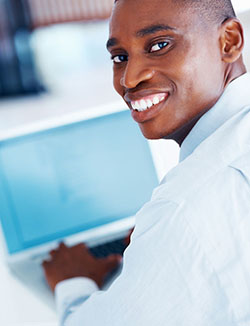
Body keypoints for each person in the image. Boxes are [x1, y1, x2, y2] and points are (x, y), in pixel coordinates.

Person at [42, 0, 250, 324]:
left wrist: (72, 282)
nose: (129, 78)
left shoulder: (183, 208)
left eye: (159, 45)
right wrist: (155, 248)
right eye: (120, 57)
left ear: (229, 42)